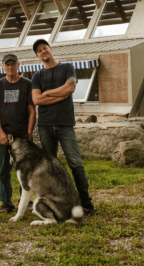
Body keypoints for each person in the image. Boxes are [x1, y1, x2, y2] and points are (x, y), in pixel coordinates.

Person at [30, 39, 97, 216]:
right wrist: (59, 93)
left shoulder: (67, 68)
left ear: (51, 49)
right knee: (50, 168)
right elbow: (37, 100)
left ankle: (86, 203)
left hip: (65, 124)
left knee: (76, 164)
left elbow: (71, 88)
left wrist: (48, 93)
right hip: (45, 125)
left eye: (45, 48)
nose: (43, 51)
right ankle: (56, 203)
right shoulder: (36, 77)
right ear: (37, 56)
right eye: (39, 50)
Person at [0, 53, 36, 214]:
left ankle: (26, 201)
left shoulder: (27, 84)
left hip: (22, 135)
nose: (10, 67)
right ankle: (6, 203)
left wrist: (29, 132)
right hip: (4, 135)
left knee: (25, 169)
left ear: (18, 65)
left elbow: (32, 110)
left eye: (13, 64)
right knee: (3, 170)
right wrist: (0, 132)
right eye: (7, 64)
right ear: (2, 67)